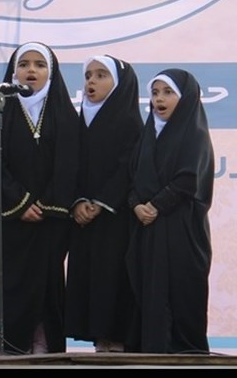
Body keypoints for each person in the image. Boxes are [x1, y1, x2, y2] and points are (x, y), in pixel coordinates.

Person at [0, 42, 79, 354]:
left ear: (51, 73)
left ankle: (46, 347)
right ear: (13, 72)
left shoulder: (65, 114)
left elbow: (69, 165)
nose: (31, 70)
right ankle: (13, 348)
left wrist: (45, 204)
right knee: (14, 285)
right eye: (24, 64)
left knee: (47, 285)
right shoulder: (0, 113)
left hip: (50, 219)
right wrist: (19, 202)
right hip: (12, 219)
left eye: (39, 65)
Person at [125, 68, 215, 354]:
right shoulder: (147, 136)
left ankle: (186, 355)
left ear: (186, 98)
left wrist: (155, 205)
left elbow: (189, 179)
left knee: (181, 293)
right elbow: (133, 178)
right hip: (147, 230)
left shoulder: (195, 135)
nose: (159, 99)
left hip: (182, 231)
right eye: (154, 93)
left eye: (167, 93)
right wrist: (136, 205)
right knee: (148, 292)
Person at [65, 55, 144, 353]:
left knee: (113, 276)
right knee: (90, 278)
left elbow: (127, 168)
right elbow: (69, 166)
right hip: (82, 217)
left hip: (116, 217)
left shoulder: (130, 122)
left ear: (119, 84)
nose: (91, 82)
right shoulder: (77, 120)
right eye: (88, 76)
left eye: (101, 75)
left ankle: (117, 341)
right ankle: (100, 340)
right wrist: (77, 201)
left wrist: (100, 202)